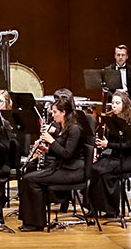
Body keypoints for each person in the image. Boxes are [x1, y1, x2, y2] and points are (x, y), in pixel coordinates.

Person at [17, 91, 88, 230]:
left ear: (64, 112)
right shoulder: (63, 127)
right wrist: (47, 150)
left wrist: (51, 141)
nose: (52, 115)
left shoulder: (75, 129)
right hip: (63, 167)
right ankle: (30, 221)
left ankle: (35, 224)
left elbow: (67, 154)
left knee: (31, 180)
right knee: (28, 177)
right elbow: (61, 151)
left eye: (55, 112)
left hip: (74, 171)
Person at [87, 90, 131, 217]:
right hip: (116, 156)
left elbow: (128, 146)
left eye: (117, 103)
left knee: (104, 172)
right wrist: (100, 149)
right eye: (112, 103)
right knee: (96, 169)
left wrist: (108, 145)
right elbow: (109, 142)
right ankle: (94, 207)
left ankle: (111, 210)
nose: (113, 106)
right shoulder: (111, 120)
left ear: (125, 104)